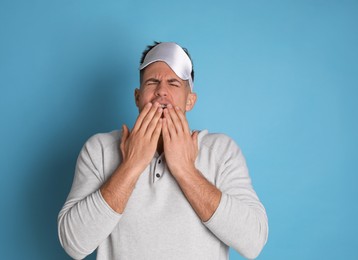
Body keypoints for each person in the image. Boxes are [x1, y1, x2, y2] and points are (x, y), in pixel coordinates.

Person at [58, 42, 268, 260]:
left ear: (190, 100)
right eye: (152, 82)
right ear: (137, 97)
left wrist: (185, 170)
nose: (161, 92)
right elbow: (75, 244)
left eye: (173, 83)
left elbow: (253, 242)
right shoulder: (100, 149)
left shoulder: (221, 151)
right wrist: (131, 165)